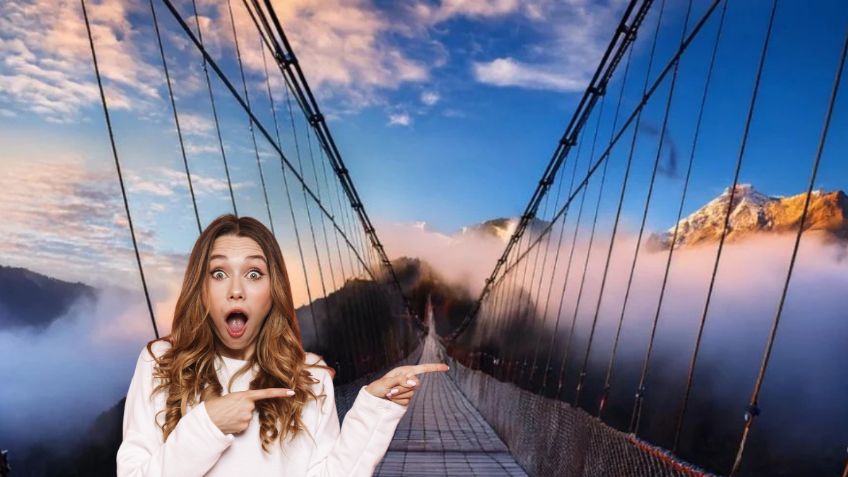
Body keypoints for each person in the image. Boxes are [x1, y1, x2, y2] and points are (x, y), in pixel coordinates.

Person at [117, 214, 447, 476]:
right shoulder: (160, 363)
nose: (236, 290)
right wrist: (207, 426)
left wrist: (375, 409)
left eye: (254, 274)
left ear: (274, 290)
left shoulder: (310, 375)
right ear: (200, 288)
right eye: (218, 273)